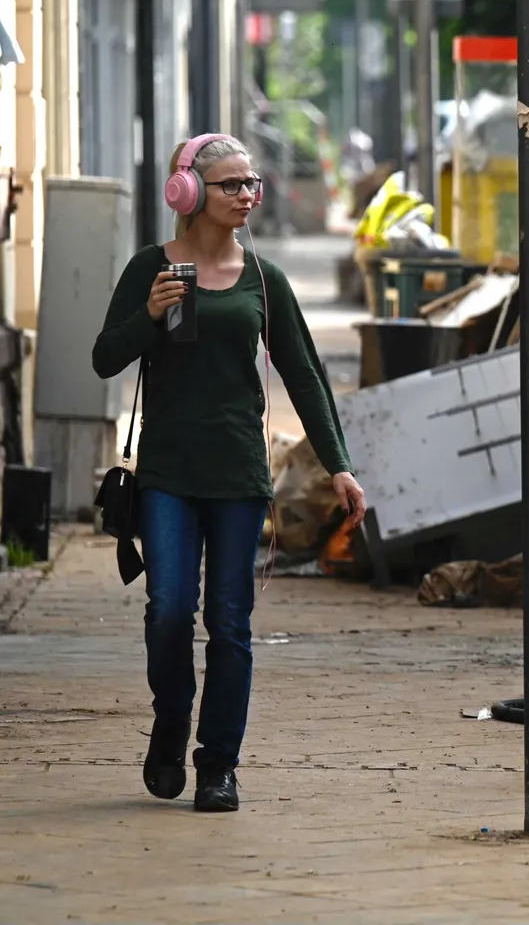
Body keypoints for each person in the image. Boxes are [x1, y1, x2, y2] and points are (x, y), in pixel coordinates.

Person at [91, 134, 367, 813]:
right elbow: (104, 358)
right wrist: (150, 315)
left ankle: (218, 765)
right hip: (167, 472)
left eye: (252, 184)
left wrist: (339, 466)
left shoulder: (263, 280)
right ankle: (171, 719)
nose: (248, 195)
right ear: (188, 193)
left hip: (239, 473)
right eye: (232, 185)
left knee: (231, 623)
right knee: (169, 610)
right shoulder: (152, 269)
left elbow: (304, 373)